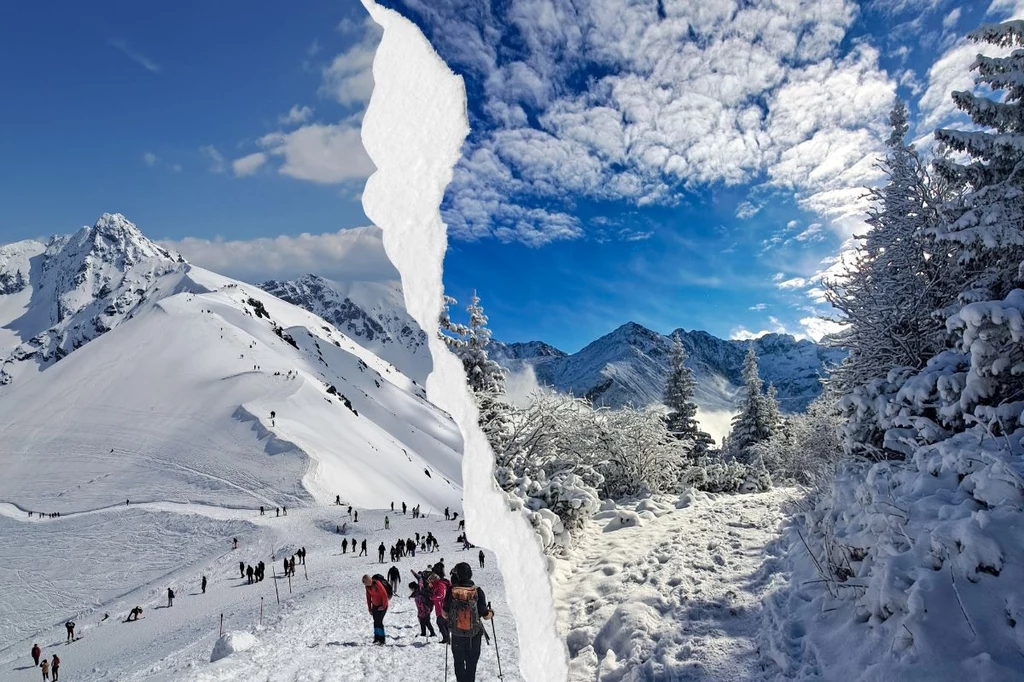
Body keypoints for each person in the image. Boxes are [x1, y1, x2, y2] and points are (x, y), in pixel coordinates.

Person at [443, 562, 494, 682]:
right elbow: (485, 615)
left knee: (459, 663)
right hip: (474, 635)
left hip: (457, 634)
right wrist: (492, 612)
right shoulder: (477, 591)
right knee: (471, 665)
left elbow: (444, 614)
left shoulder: (452, 591)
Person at [363, 574, 389, 645]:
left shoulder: (377, 583)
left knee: (379, 622)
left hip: (382, 605)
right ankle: (376, 637)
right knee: (375, 622)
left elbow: (384, 595)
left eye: (365, 581)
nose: (364, 583)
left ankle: (382, 639)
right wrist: (369, 609)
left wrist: (383, 606)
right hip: (375, 606)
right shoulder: (367, 587)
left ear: (369, 580)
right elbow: (368, 598)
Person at [428, 571, 451, 643]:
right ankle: (447, 639)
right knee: (443, 623)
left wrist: (432, 597)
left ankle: (446, 639)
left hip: (443, 607)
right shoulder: (436, 585)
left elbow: (441, 595)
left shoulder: (440, 584)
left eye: (430, 580)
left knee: (440, 622)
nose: (429, 582)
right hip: (440, 608)